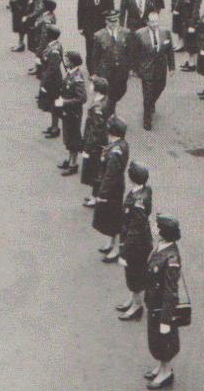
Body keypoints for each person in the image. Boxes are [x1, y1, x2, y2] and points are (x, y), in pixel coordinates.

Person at [144, 214, 183, 390]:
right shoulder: (162, 246)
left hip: (162, 307)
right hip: (154, 303)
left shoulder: (171, 258)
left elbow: (170, 292)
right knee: (155, 338)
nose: (154, 229)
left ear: (164, 233)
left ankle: (165, 371)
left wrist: (166, 319)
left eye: (157, 228)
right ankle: (161, 366)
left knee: (163, 340)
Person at [117, 162, 153, 321]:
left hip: (136, 244)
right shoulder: (146, 190)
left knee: (134, 275)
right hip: (142, 241)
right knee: (135, 274)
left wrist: (125, 251)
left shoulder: (137, 201)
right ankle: (133, 300)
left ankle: (136, 307)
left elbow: (135, 230)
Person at [92, 116, 129, 262]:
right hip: (116, 185)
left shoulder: (115, 151)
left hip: (112, 188)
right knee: (110, 217)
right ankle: (111, 243)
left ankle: (115, 249)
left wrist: (102, 193)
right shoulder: (121, 144)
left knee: (113, 218)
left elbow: (110, 174)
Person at [134, 12, 175, 131]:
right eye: (152, 21)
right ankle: (147, 120)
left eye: (156, 21)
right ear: (147, 22)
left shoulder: (165, 33)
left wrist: (172, 67)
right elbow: (135, 53)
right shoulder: (139, 34)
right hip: (147, 68)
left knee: (160, 87)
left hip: (161, 67)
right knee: (147, 93)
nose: (155, 24)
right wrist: (135, 69)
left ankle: (151, 102)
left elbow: (170, 52)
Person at [93, 10, 133, 117]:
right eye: (111, 21)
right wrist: (95, 73)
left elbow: (129, 52)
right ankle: (110, 115)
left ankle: (110, 107)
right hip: (106, 71)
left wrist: (131, 69)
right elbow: (95, 56)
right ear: (106, 21)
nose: (114, 23)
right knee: (109, 94)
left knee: (121, 91)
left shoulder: (126, 33)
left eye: (116, 21)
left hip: (121, 71)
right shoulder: (99, 35)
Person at [56, 51, 87, 177]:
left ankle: (73, 164)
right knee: (68, 136)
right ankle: (70, 159)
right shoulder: (71, 74)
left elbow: (82, 99)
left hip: (73, 113)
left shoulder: (77, 78)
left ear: (73, 63)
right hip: (68, 112)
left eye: (67, 60)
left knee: (73, 138)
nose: (65, 61)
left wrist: (64, 102)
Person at [77, 0, 115, 75]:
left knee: (104, 48)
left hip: (103, 26)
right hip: (89, 27)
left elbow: (111, 10)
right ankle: (92, 71)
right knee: (90, 50)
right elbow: (80, 11)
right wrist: (80, 27)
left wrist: (111, 25)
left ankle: (102, 69)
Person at [81, 77, 110, 208]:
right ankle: (94, 195)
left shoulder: (97, 106)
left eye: (93, 84)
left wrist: (87, 148)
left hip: (96, 144)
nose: (90, 86)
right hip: (101, 141)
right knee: (97, 170)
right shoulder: (104, 101)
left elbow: (95, 130)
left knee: (95, 171)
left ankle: (95, 197)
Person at [38, 25, 63, 139]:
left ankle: (55, 128)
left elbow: (52, 69)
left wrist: (44, 84)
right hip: (53, 80)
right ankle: (54, 126)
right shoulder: (54, 46)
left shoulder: (54, 51)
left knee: (54, 105)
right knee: (53, 105)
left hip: (53, 82)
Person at [178, 0, 201, 72]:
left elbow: (195, 12)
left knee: (192, 44)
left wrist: (192, 25)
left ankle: (192, 64)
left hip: (191, 23)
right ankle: (189, 60)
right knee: (188, 42)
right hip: (186, 21)